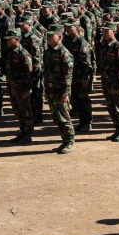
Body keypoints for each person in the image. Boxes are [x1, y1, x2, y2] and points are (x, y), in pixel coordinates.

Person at [43, 26, 75, 154]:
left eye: (52, 36)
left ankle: (70, 141)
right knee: (56, 117)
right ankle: (64, 140)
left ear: (59, 37)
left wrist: (65, 93)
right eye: (48, 36)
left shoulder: (65, 54)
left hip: (60, 92)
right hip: (51, 90)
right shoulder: (48, 52)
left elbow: (68, 76)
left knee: (64, 117)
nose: (48, 38)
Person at [99, 22, 119, 142]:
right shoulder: (104, 45)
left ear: (113, 31)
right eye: (103, 31)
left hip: (115, 83)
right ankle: (116, 128)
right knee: (110, 107)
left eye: (107, 31)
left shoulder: (118, 47)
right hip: (106, 82)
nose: (104, 33)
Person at [4, 28, 35, 143]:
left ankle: (28, 134)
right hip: (13, 88)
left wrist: (27, 90)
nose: (7, 41)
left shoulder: (23, 54)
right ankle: (22, 132)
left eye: (9, 39)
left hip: (23, 89)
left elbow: (29, 74)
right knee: (18, 111)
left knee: (26, 111)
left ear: (17, 39)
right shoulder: (10, 53)